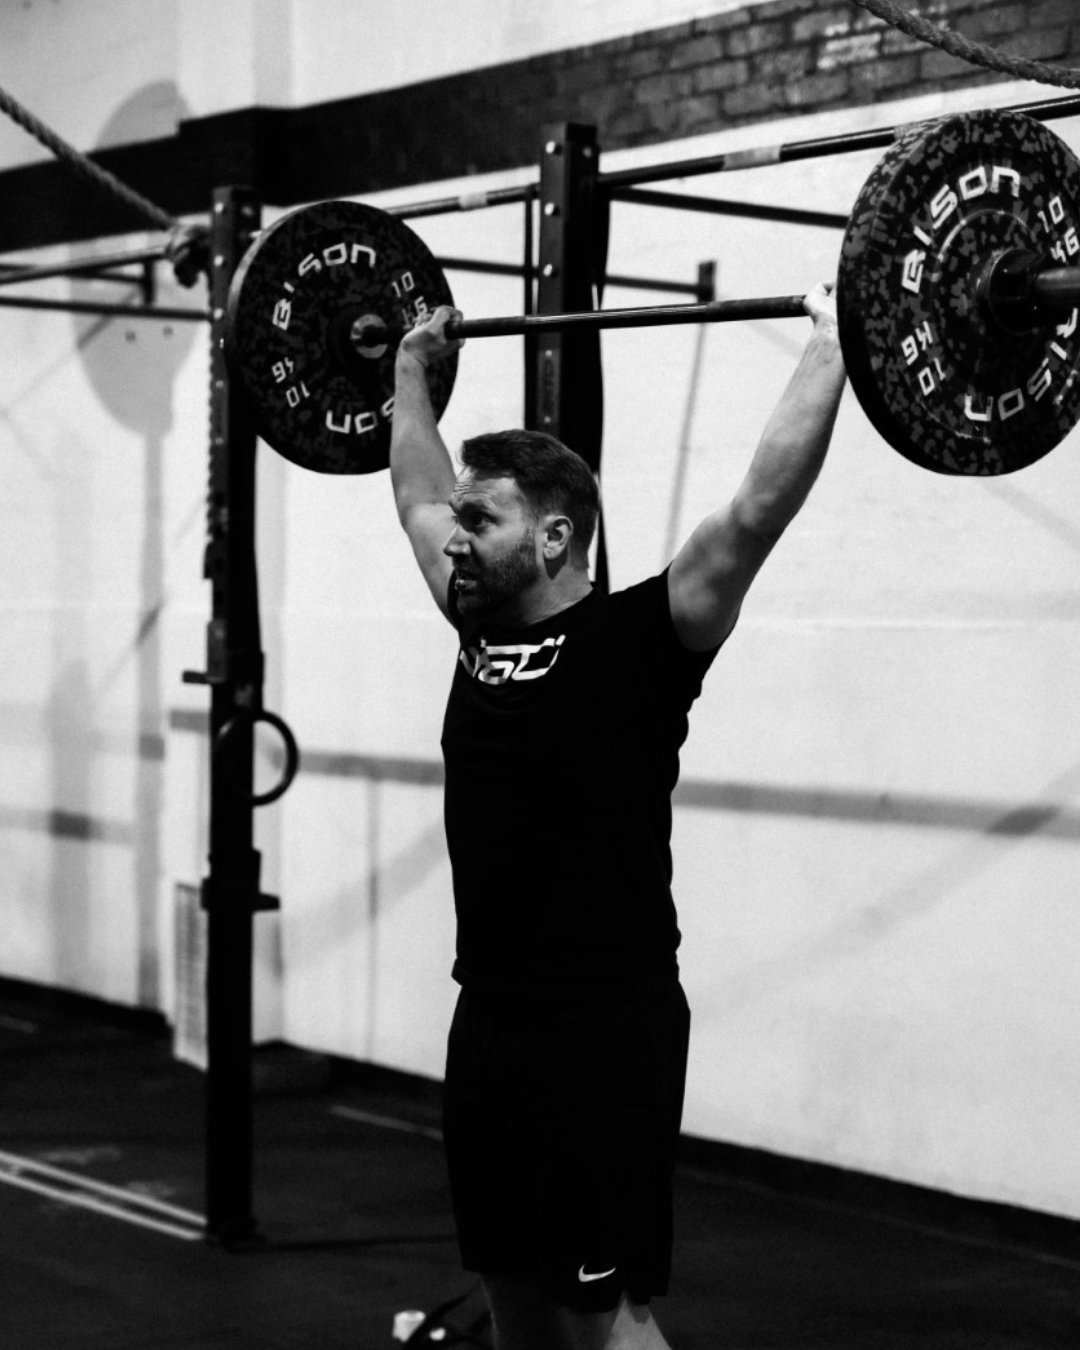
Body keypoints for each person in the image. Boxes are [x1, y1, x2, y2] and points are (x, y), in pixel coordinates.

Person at [389, 285, 846, 1350]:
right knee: (513, 1296)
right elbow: (412, 482)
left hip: (604, 1028)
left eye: (479, 519)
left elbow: (753, 512)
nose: (452, 538)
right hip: (491, 1016)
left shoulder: (646, 642)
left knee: (603, 1320)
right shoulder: (475, 627)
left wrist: (834, 339)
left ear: (554, 537)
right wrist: (410, 367)